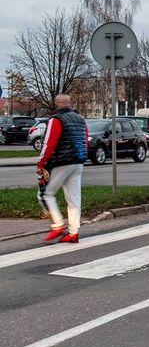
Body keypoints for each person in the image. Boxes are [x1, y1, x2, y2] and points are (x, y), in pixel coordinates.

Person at [36, 94, 88, 243]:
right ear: (70, 103)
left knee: (46, 194)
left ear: (56, 104)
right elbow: (85, 140)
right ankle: (73, 232)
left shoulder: (56, 119)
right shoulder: (80, 119)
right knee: (74, 198)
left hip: (62, 161)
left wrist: (41, 163)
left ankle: (57, 224)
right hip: (78, 161)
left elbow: (49, 143)